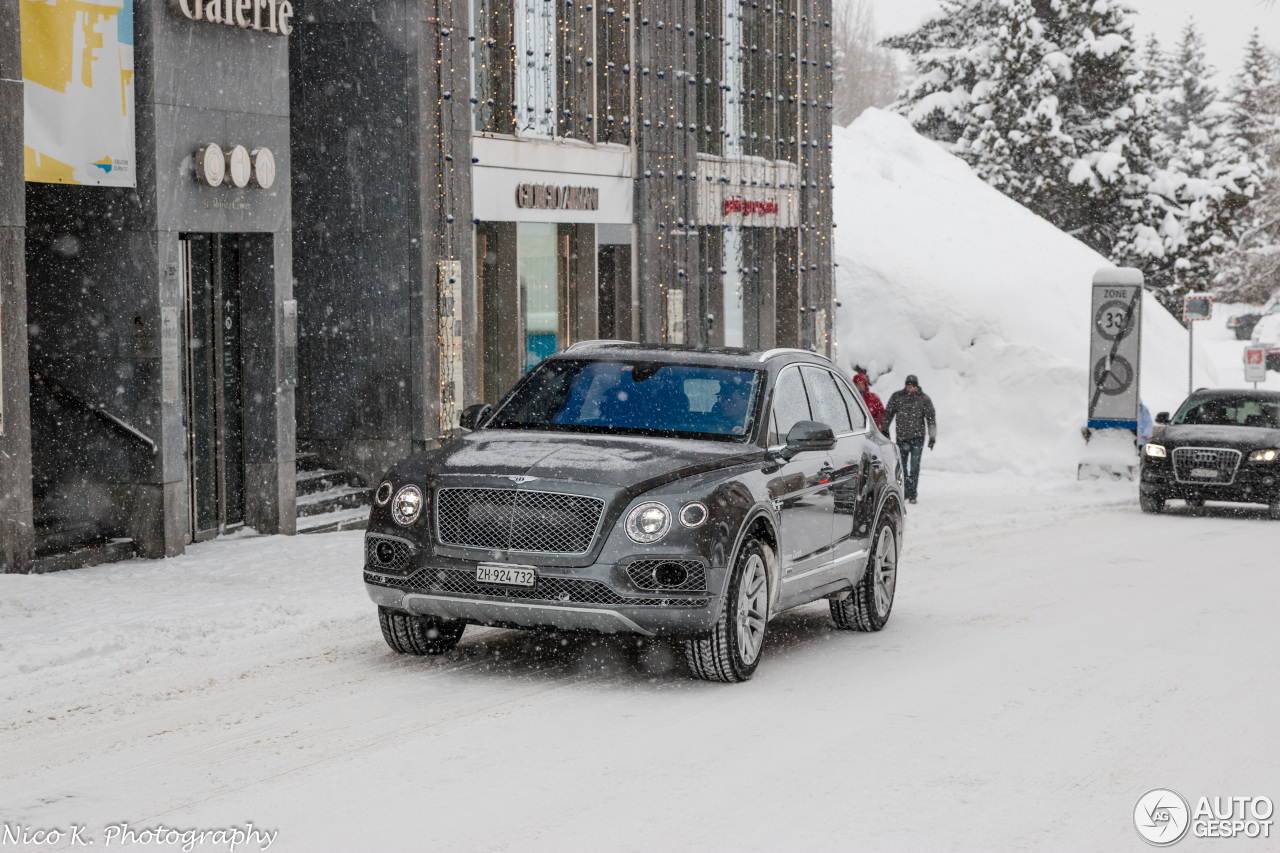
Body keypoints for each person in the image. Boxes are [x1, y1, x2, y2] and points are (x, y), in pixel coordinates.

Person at [881, 375, 937, 505]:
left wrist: (932, 436)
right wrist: (885, 428)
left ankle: (912, 494)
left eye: (913, 386)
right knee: (902, 466)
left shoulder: (923, 399)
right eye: (908, 386)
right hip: (902, 437)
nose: (910, 388)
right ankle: (905, 490)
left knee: (915, 466)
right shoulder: (897, 397)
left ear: (917, 386)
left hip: (918, 438)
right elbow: (888, 413)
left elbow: (931, 418)